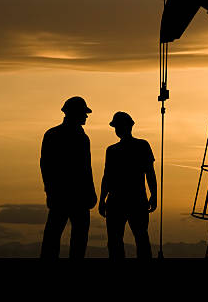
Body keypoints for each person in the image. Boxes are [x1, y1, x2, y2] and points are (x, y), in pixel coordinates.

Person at [39, 96, 97, 258]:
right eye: (84, 113)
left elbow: (85, 168)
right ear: (75, 113)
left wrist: (50, 192)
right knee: (68, 237)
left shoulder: (56, 134)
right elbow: (48, 167)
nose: (86, 116)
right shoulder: (73, 137)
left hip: (68, 195)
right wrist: (51, 191)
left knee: (57, 236)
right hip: (70, 196)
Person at [99, 111, 157, 258]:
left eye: (117, 126)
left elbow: (107, 177)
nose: (117, 130)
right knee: (138, 238)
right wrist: (154, 195)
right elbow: (149, 173)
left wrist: (102, 199)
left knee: (119, 241)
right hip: (134, 199)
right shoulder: (140, 146)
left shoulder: (113, 150)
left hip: (120, 201)